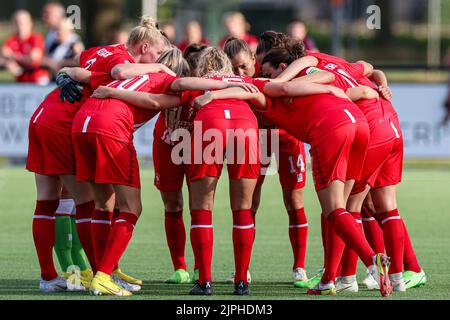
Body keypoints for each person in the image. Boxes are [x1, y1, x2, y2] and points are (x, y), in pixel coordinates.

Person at [195, 44, 392, 297]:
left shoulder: (269, 87)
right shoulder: (310, 75)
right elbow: (358, 82)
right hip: (358, 123)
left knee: (334, 209)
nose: (265, 78)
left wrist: (212, 95)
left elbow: (254, 90)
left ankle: (372, 261)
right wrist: (368, 89)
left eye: (265, 72)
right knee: (345, 208)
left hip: (330, 130)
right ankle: (331, 279)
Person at [26, 15, 171, 293]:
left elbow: (78, 64)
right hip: (64, 122)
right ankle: (99, 274)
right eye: (157, 54)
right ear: (143, 48)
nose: (158, 60)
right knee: (87, 203)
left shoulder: (100, 50)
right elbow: (119, 73)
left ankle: (52, 275)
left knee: (48, 201)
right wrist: (162, 68)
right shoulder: (126, 64)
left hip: (45, 113)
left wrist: (64, 72)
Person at [224, 37, 312, 283]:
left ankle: (299, 267)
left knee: (294, 202)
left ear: (255, 60)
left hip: (288, 139)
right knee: (249, 203)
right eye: (233, 69)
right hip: (256, 140)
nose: (239, 72)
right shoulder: (235, 83)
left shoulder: (275, 72)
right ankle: (243, 269)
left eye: (243, 67)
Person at [1, 10, 49, 84]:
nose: (20, 26)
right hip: (21, 82)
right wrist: (7, 63)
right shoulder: (11, 40)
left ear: (30, 23)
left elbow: (33, 59)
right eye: (17, 23)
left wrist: (12, 56)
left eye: (23, 23)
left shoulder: (36, 38)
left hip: (38, 81)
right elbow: (3, 55)